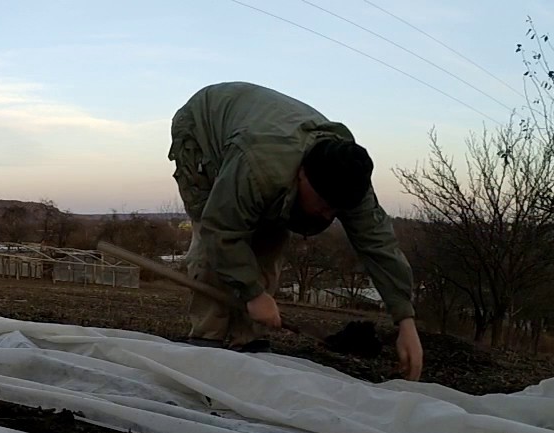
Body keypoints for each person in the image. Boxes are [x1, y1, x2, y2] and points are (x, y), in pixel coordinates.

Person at [167, 81, 423, 381]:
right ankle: (207, 342)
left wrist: (405, 320)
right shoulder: (259, 166)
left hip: (264, 143)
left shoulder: (349, 179)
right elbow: (220, 230)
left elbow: (379, 245)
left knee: (270, 237)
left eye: (337, 210)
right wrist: (252, 293)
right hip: (204, 128)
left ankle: (248, 342)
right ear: (302, 175)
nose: (329, 215)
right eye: (324, 204)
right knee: (216, 242)